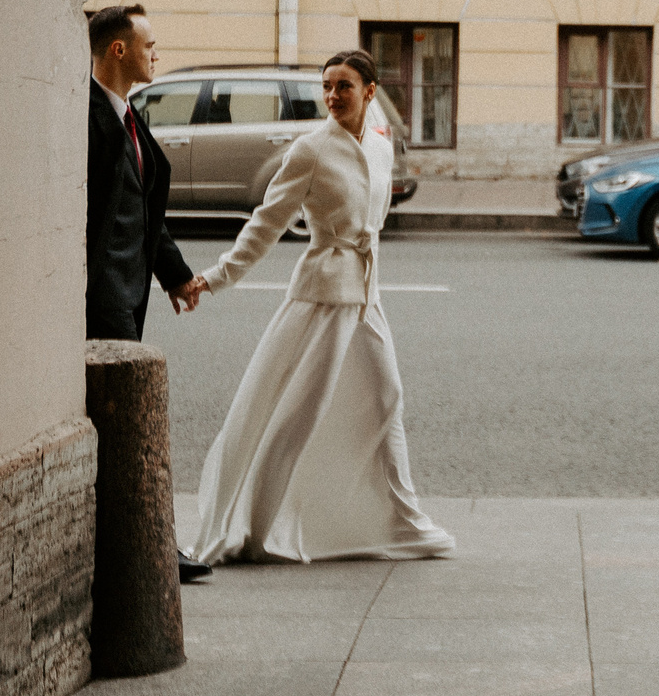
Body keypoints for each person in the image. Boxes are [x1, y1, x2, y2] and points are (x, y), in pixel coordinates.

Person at [181, 49, 455, 566]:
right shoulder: (309, 150)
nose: (333, 96)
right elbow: (266, 224)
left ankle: (406, 519)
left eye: (344, 86)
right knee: (295, 417)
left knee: (386, 397)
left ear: (369, 92)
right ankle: (257, 525)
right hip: (323, 296)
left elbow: (372, 219)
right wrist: (215, 278)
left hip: (366, 294)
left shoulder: (378, 144)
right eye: (327, 86)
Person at [86, 4, 206, 344]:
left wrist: (175, 275)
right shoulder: (84, 115)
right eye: (150, 46)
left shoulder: (127, 113)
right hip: (100, 298)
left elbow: (141, 205)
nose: (156, 55)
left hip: (129, 293)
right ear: (119, 50)